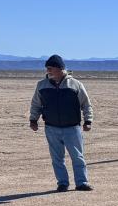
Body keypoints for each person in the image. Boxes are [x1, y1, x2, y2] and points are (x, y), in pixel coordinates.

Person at [29, 55, 94, 192]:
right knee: (57, 158)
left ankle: (82, 182)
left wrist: (88, 121)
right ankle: (62, 183)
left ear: (60, 68)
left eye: (50, 68)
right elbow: (36, 104)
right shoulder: (41, 86)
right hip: (51, 128)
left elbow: (86, 105)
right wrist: (33, 119)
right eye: (47, 69)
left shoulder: (75, 85)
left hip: (72, 128)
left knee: (77, 157)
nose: (48, 71)